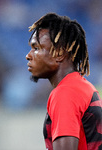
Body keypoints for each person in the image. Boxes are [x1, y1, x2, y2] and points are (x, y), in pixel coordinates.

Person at [26, 13, 102, 150]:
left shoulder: (65, 93)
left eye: (36, 48)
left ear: (60, 53)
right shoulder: (84, 87)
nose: (28, 56)